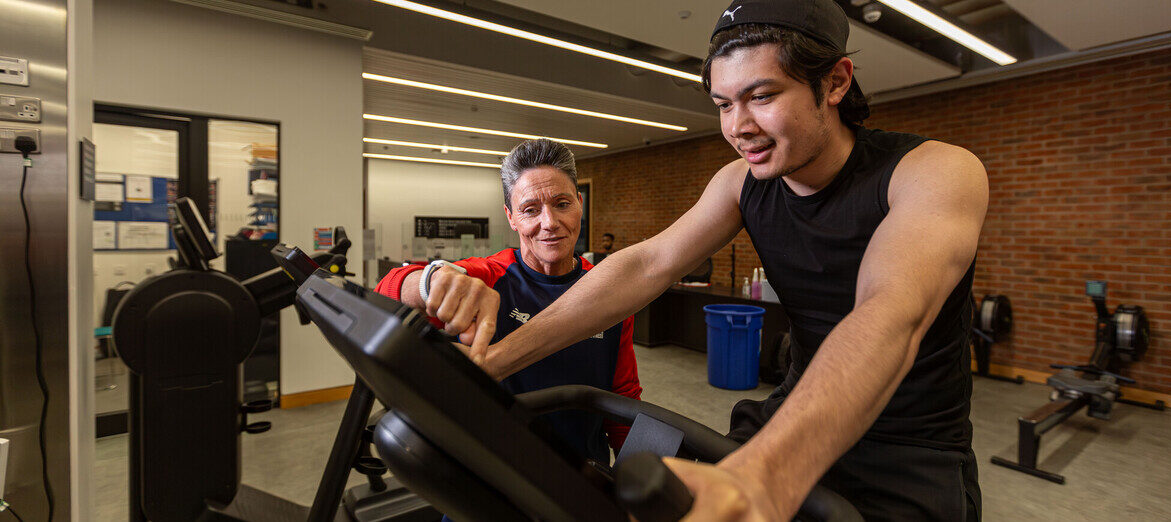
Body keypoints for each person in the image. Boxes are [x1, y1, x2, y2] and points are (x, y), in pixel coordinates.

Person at [462, 0, 989, 519]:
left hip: (909, 451)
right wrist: (492, 363)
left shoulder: (933, 172)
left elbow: (891, 311)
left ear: (835, 82)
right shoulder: (742, 184)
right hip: (789, 413)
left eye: (761, 96)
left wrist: (762, 474)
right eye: (723, 104)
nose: (738, 126)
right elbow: (648, 265)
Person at [374, 138, 642, 465]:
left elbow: (622, 396)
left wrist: (640, 481)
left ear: (580, 204)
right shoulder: (490, 276)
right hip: (495, 474)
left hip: (581, 476)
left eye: (562, 204)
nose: (549, 223)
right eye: (530, 209)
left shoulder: (608, 289)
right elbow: (385, 294)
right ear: (511, 217)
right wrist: (432, 281)